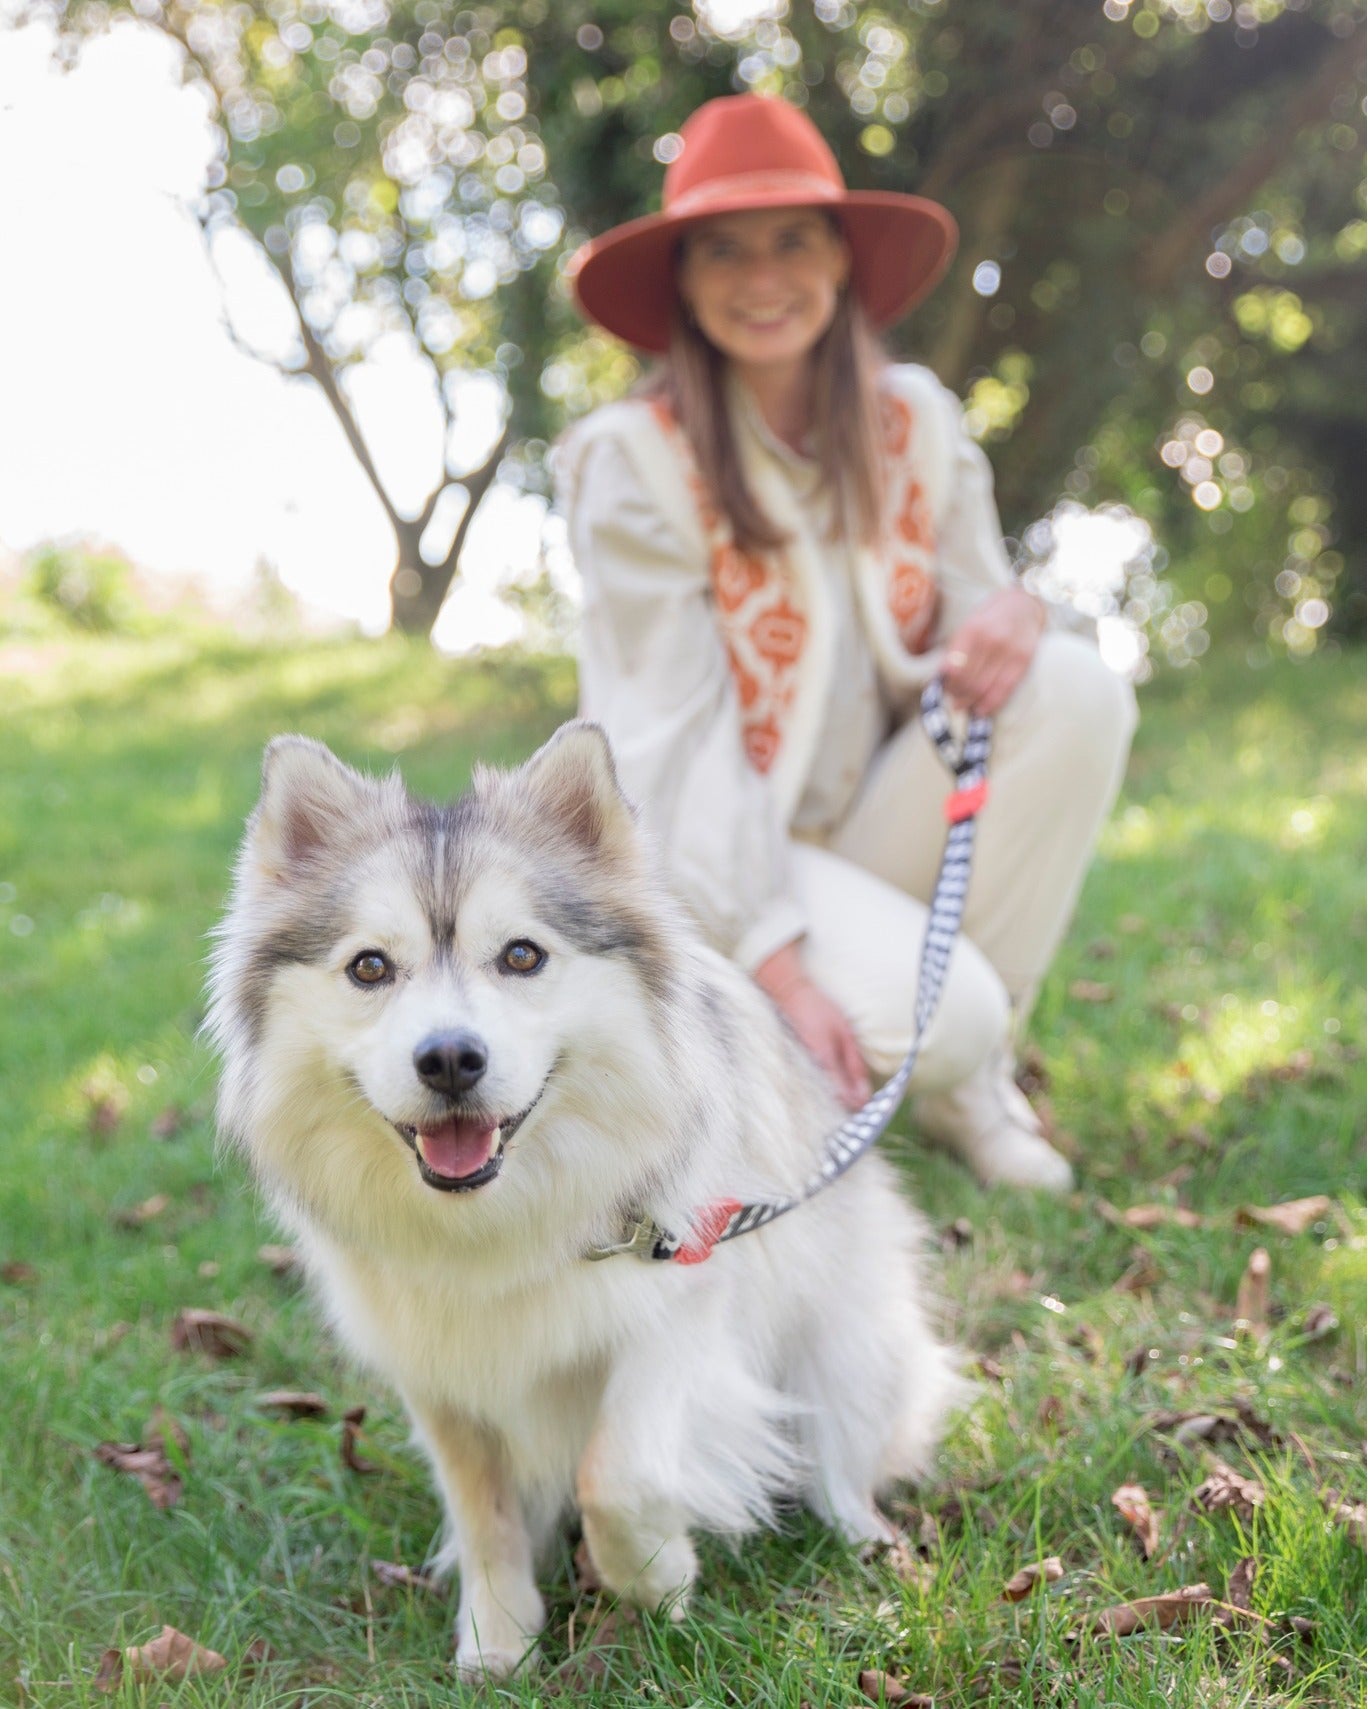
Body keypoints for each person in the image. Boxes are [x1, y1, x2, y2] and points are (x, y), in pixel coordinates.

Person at [556, 93, 1136, 1191]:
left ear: (840, 259)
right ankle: (841, 1039)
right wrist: (778, 962)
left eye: (792, 240)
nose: (762, 278)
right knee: (944, 1013)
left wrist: (1015, 611)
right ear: (683, 280)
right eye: (723, 250)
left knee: (1074, 688)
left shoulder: (914, 420)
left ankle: (967, 1081)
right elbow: (664, 747)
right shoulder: (633, 461)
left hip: (872, 816)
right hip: (713, 858)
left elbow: (979, 608)